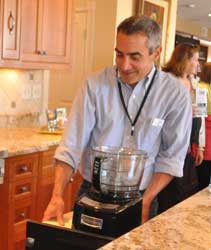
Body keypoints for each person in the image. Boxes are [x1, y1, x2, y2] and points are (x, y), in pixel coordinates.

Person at [43, 15, 192, 225]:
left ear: (156, 53)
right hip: (92, 193)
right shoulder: (93, 86)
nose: (125, 65)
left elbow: (171, 157)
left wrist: (147, 201)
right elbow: (71, 145)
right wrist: (57, 195)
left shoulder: (175, 94)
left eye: (134, 56)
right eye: (119, 55)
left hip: (143, 195)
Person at [158, 43, 205, 213]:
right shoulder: (166, 81)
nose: (198, 64)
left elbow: (202, 115)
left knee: (184, 190)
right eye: (195, 60)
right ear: (185, 60)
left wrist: (200, 146)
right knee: (169, 193)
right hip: (170, 144)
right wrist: (183, 111)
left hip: (188, 147)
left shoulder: (196, 85)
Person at [197, 63, 211, 190]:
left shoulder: (200, 87)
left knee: (203, 170)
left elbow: (200, 113)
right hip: (207, 131)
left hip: (203, 131)